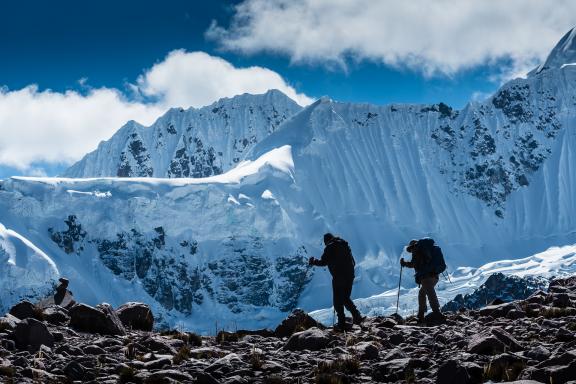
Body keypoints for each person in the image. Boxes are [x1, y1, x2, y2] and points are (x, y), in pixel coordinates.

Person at [309, 233, 364, 330]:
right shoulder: (344, 245)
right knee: (345, 298)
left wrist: (313, 261)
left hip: (339, 276)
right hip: (350, 275)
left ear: (326, 241)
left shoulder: (330, 247)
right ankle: (357, 316)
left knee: (338, 301)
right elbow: (352, 261)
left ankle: (341, 323)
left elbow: (323, 262)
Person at [400, 238, 443, 323]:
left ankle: (436, 313)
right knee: (422, 293)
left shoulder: (416, 250)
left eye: (411, 249)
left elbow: (413, 264)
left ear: (412, 247)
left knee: (430, 293)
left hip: (426, 277)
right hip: (435, 276)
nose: (411, 251)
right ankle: (421, 314)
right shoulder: (426, 250)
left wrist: (404, 263)